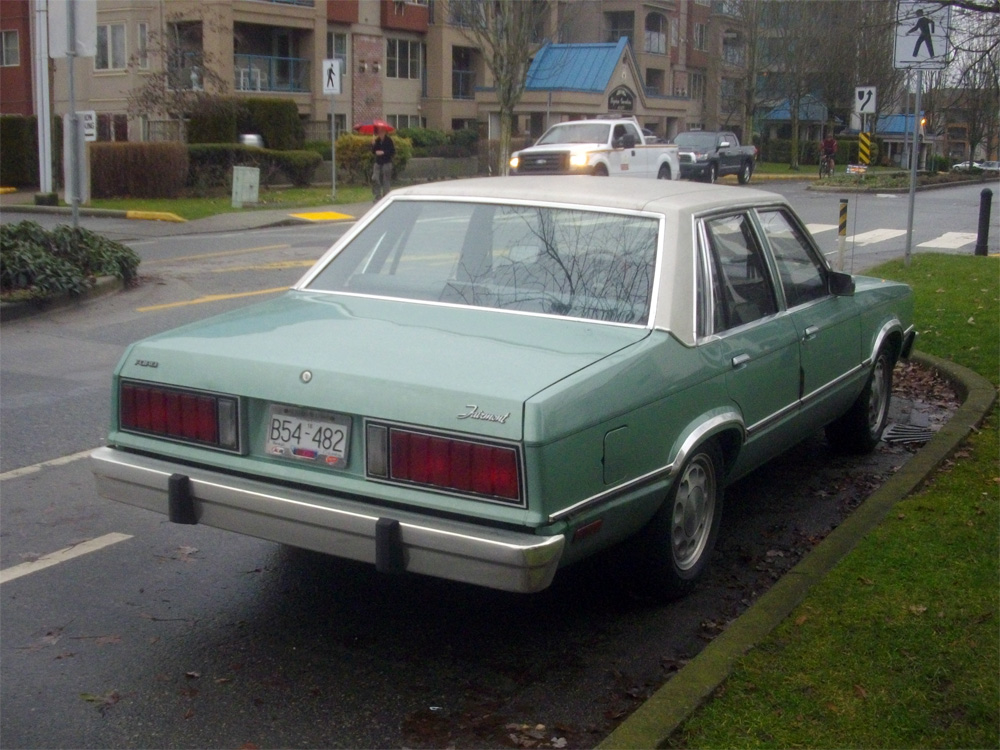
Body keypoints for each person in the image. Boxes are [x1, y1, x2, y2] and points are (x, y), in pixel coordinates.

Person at [371, 125, 395, 201]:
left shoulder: (389, 140)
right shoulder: (377, 140)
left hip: (386, 162)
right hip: (378, 162)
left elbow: (392, 151)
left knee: (386, 179)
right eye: (379, 132)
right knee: (375, 178)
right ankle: (377, 196)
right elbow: (373, 151)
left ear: (384, 132)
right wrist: (373, 145)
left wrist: (383, 152)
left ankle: (386, 196)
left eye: (381, 131)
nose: (380, 133)